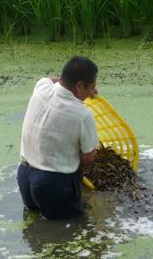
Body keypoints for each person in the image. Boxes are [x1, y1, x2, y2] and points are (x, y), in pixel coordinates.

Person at [17, 56, 99, 220]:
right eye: (92, 88)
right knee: (70, 231)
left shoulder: (41, 88)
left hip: (25, 176)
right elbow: (88, 158)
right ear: (79, 86)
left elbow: (51, 79)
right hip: (53, 185)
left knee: (37, 231)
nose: (93, 94)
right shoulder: (82, 115)